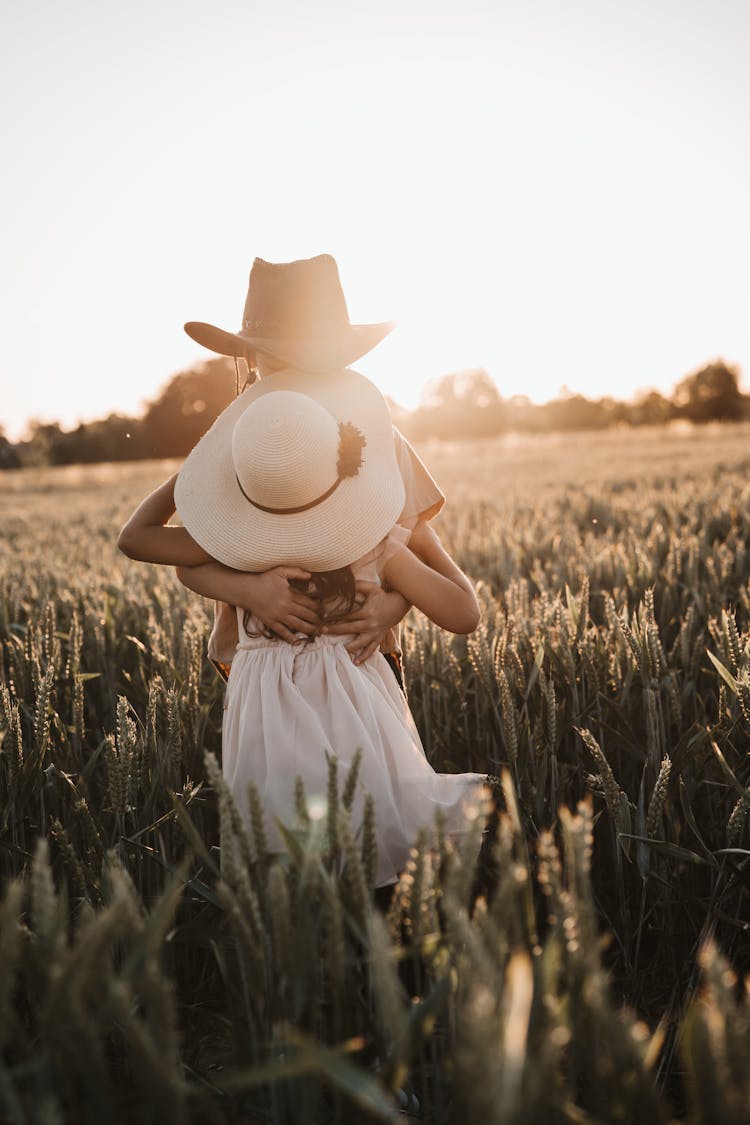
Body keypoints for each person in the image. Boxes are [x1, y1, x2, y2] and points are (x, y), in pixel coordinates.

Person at [120, 368, 485, 886]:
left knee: (286, 864)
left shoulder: (240, 549)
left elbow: (137, 539)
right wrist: (406, 583)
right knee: (365, 847)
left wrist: (200, 477)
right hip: (355, 713)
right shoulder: (375, 545)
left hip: (264, 719)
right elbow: (465, 613)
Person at [121, 255, 447, 690]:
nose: (295, 378)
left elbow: (411, 549)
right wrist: (247, 589)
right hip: (260, 668)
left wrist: (394, 607)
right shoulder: (243, 447)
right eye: (278, 361)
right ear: (251, 360)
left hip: (359, 661)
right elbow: (177, 554)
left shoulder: (380, 441)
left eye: (311, 362)